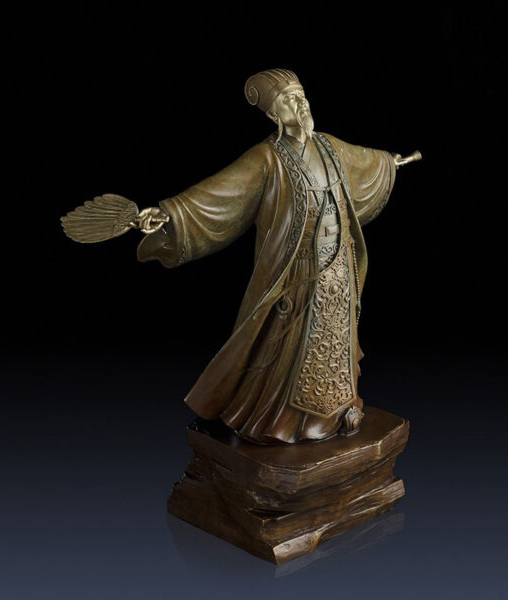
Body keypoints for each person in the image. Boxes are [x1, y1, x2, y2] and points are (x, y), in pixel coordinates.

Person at [136, 69, 401, 444]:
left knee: (336, 341)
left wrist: (389, 162)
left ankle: (340, 409)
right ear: (274, 113)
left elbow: (362, 160)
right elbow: (222, 192)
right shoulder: (267, 158)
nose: (300, 103)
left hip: (338, 266)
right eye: (289, 99)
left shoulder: (328, 146)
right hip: (298, 270)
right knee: (287, 347)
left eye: (301, 95)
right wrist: (170, 213)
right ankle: (283, 421)